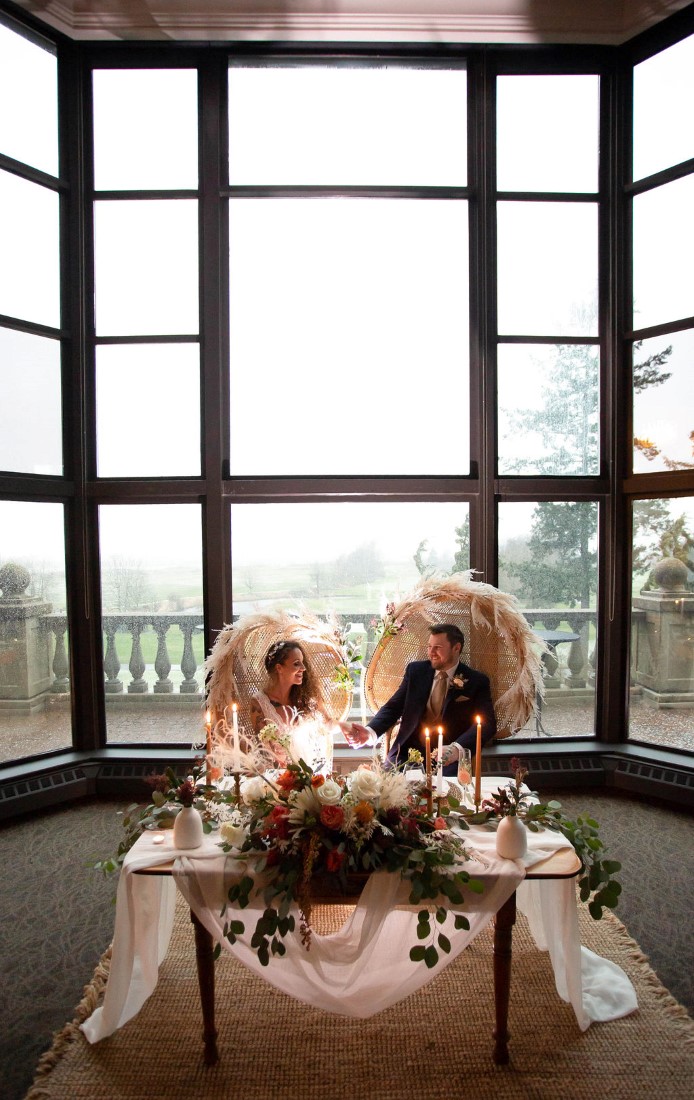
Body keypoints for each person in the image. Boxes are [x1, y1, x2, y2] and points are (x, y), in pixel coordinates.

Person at [344, 623, 497, 774]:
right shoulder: (416, 671)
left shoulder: (477, 681)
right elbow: (393, 707)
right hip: (406, 752)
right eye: (429, 647)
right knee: (388, 789)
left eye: (438, 647)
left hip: (448, 757)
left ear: (456, 648)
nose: (431, 652)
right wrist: (370, 732)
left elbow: (488, 724)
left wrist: (456, 749)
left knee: (444, 793)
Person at [249, 639, 338, 768]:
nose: (303, 668)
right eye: (297, 664)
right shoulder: (259, 703)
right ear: (279, 668)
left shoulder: (308, 696)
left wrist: (345, 727)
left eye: (302, 662)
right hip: (279, 775)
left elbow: (328, 723)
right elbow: (266, 748)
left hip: (314, 770)